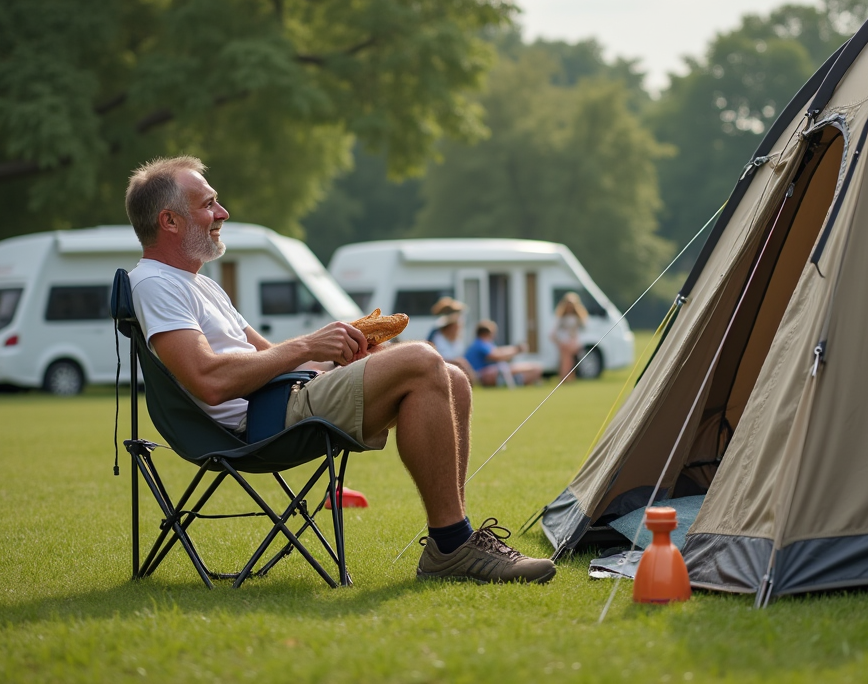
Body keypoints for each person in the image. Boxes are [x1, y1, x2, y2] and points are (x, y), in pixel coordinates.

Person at [124, 156, 554, 584]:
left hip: (280, 401)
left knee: (452, 377)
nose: (222, 213)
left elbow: (268, 358)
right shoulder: (155, 284)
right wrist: (310, 343)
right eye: (208, 204)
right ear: (170, 221)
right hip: (257, 424)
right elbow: (210, 380)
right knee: (422, 359)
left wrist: (337, 357)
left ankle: (451, 543)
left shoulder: (201, 285)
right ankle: (455, 545)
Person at [464, 320, 543, 387]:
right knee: (504, 368)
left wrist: (514, 349)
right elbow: (497, 355)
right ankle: (513, 381)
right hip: (480, 376)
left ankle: (514, 381)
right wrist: (516, 350)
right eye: (493, 333)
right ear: (486, 333)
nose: (494, 336)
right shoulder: (480, 343)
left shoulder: (482, 343)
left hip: (484, 374)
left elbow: (499, 351)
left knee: (533, 370)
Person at [426, 298, 477, 382]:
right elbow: (436, 359)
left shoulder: (457, 340)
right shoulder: (437, 337)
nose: (460, 326)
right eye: (457, 323)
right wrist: (458, 362)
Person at [550, 292, 588, 383]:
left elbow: (584, 327)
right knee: (565, 359)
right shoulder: (562, 317)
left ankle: (566, 376)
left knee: (567, 358)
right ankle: (565, 377)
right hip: (564, 340)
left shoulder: (577, 316)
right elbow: (555, 331)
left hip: (573, 341)